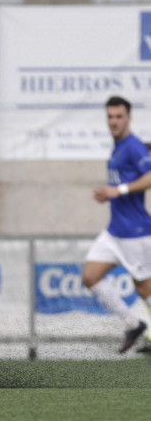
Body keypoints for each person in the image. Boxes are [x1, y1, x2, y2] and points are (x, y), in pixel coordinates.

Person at [83, 95, 151, 353]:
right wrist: (107, 193)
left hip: (136, 233)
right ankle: (133, 324)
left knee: (144, 289)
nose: (114, 121)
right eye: (110, 116)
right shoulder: (118, 147)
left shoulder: (133, 146)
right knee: (90, 276)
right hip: (115, 231)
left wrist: (119, 190)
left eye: (119, 116)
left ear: (129, 118)